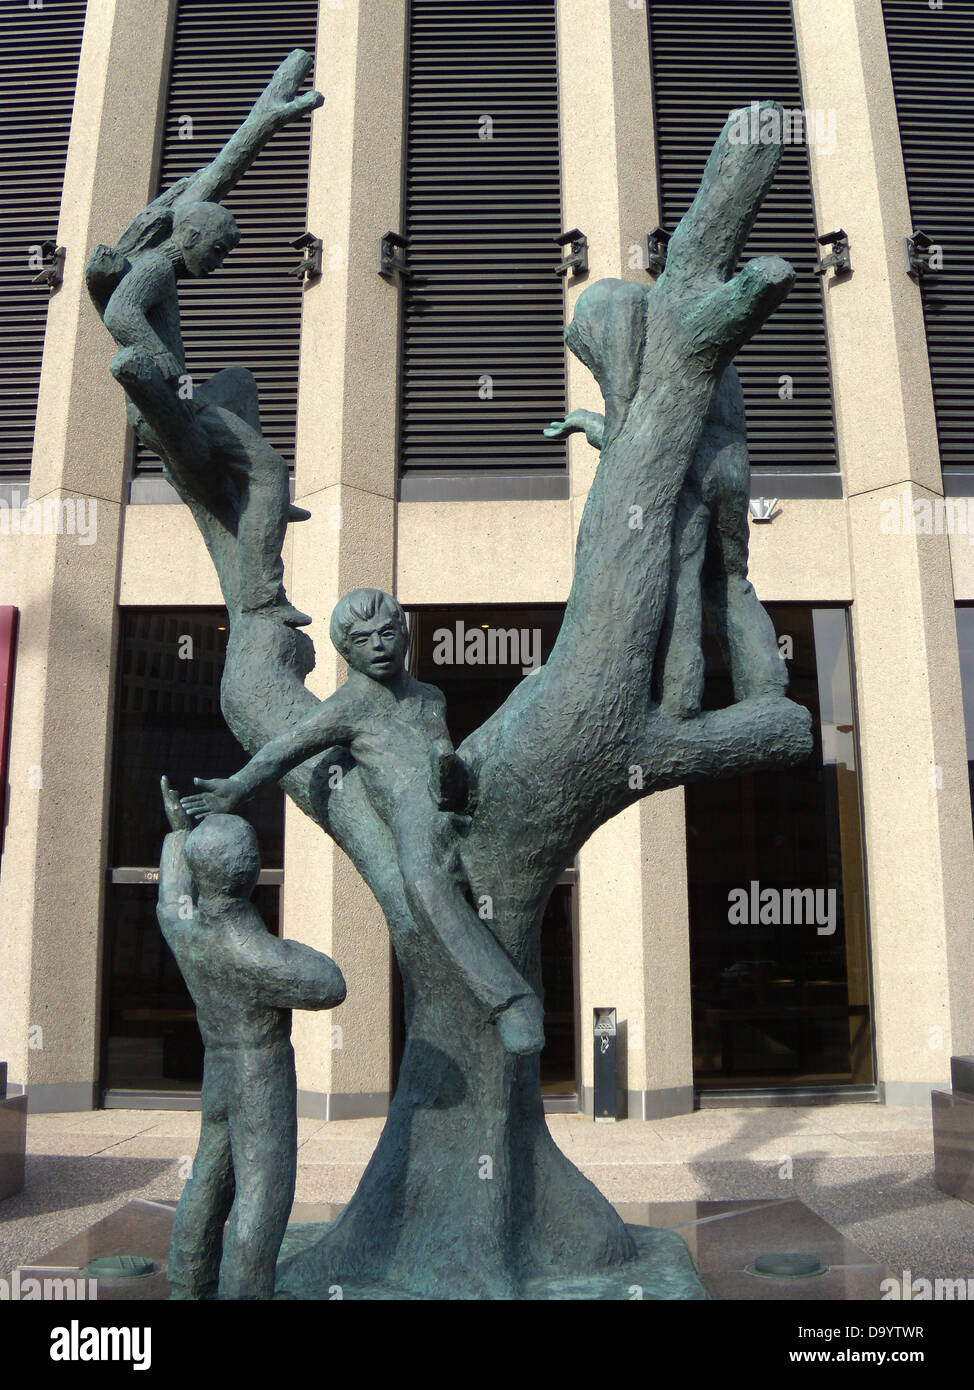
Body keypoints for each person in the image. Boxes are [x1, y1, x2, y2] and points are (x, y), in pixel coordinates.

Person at [180, 589, 546, 1056]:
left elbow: (442, 756)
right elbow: (285, 748)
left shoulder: (431, 696)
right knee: (422, 881)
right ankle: (512, 1002)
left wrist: (451, 773)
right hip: (413, 812)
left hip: (458, 797)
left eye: (388, 633)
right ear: (346, 652)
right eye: (363, 639)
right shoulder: (350, 704)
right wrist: (236, 787)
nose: (379, 645)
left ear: (405, 636)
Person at [157, 776, 346, 1300]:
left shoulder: (185, 926)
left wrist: (177, 836)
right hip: (257, 1073)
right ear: (252, 873)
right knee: (262, 1193)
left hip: (217, 1069)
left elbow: (170, 898)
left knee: (209, 1180)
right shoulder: (254, 953)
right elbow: (331, 984)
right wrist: (285, 945)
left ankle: (189, 1279)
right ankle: (245, 1291)